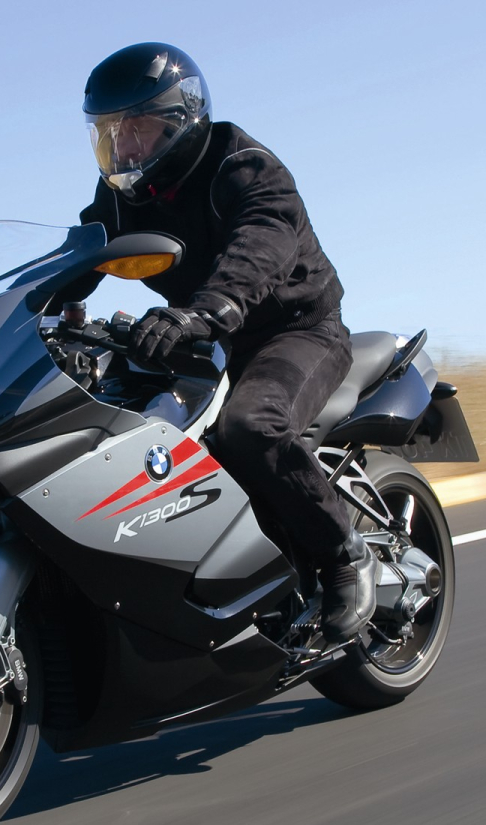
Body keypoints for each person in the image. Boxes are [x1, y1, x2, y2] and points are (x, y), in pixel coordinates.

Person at [75, 42, 377, 642]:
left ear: (180, 119)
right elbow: (84, 251)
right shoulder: (121, 198)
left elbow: (261, 242)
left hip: (294, 330)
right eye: (112, 133)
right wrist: (25, 307)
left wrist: (206, 309)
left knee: (249, 426)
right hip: (201, 341)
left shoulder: (243, 166)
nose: (124, 147)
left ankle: (345, 553)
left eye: (137, 129)